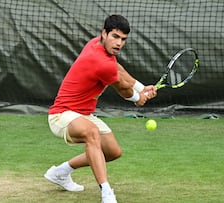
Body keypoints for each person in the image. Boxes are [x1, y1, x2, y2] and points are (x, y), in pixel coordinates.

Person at [44, 14, 157, 203]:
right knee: (92, 133)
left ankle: (60, 172)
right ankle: (106, 193)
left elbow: (118, 70)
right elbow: (122, 89)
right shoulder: (100, 61)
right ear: (104, 33)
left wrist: (141, 87)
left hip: (83, 114)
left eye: (123, 39)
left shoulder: (98, 45)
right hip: (61, 115)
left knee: (112, 152)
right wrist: (138, 98)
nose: (119, 43)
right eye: (115, 36)